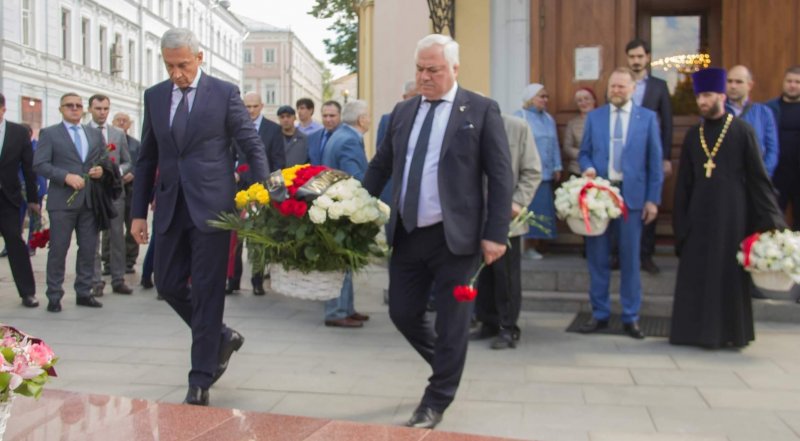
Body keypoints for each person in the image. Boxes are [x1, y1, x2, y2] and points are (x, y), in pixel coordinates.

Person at [363, 33, 513, 429]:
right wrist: (355, 205)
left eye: (433, 69)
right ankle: (449, 362)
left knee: (452, 321)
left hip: (457, 238)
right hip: (409, 233)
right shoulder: (403, 112)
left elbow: (500, 177)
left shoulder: (480, 110)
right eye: (419, 69)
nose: (424, 77)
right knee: (402, 312)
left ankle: (437, 397)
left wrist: (496, 233)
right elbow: (381, 165)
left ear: (455, 69)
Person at [130, 28, 268, 406]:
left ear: (199, 58)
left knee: (208, 292)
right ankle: (220, 337)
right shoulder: (155, 97)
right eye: (170, 66)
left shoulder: (224, 94)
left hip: (213, 208)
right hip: (171, 207)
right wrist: (137, 213)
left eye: (184, 65)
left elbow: (250, 143)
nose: (177, 73)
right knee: (167, 283)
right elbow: (147, 158)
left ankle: (200, 376)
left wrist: (262, 192)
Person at [671, 67, 787, 347]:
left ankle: (729, 334)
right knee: (697, 272)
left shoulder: (742, 130)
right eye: (699, 96)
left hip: (732, 215)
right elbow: (684, 183)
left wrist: (774, 222)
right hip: (698, 215)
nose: (702, 102)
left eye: (708, 96)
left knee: (726, 275)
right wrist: (681, 224)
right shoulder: (693, 135)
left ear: (722, 96)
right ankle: (691, 333)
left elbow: (759, 179)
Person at [577, 67, 664, 340]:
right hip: (600, 196)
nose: (616, 91)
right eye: (613, 87)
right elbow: (584, 153)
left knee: (630, 258)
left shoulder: (647, 119)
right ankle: (599, 313)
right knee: (598, 257)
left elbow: (654, 163)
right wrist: (588, 168)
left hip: (632, 197)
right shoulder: (595, 118)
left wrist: (653, 199)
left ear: (632, 89)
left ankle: (631, 316)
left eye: (621, 87)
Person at [472, 113, 542, 349]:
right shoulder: (463, 126)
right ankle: (487, 322)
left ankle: (508, 327)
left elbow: (532, 170)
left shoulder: (516, 127)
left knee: (506, 276)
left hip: (507, 218)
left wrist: (518, 203)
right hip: (473, 218)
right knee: (482, 274)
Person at [33, 92, 106, 312]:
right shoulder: (50, 134)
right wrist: (65, 176)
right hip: (62, 202)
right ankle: (54, 295)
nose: (74, 109)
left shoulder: (93, 134)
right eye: (69, 106)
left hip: (89, 201)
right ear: (61, 109)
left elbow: (104, 160)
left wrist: (101, 170)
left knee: (88, 248)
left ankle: (84, 291)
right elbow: (40, 165)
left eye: (78, 105)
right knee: (58, 249)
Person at [226, 91, 285, 296]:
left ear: (262, 106)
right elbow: (230, 156)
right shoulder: (236, 129)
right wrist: (230, 174)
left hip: (262, 192)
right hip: (239, 190)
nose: (251, 110)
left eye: (254, 106)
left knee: (258, 237)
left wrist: (275, 193)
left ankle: (257, 280)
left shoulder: (273, 130)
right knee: (236, 235)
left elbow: (278, 162)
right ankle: (232, 280)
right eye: (247, 107)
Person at [320, 99, 371, 328]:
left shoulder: (339, 135)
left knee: (344, 260)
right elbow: (355, 177)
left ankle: (346, 308)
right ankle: (337, 311)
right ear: (361, 119)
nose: (369, 119)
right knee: (341, 260)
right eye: (367, 115)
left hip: (335, 205)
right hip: (344, 208)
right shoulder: (350, 140)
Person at [88, 94, 133, 297]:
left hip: (114, 192)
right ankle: (96, 281)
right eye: (98, 109)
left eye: (105, 109)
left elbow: (127, 161)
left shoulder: (117, 134)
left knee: (117, 236)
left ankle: (118, 278)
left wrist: (117, 173)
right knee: (92, 238)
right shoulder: (83, 132)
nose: (102, 113)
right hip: (92, 192)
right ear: (90, 109)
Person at [0, 93, 40, 307]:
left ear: (3, 109)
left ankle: (27, 293)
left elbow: (28, 168)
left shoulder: (17, 133)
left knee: (15, 243)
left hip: (8, 200)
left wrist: (33, 200)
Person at [514, 84, 560, 259]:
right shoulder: (520, 116)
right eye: (541, 96)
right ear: (530, 98)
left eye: (546, 96)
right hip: (527, 173)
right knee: (529, 209)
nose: (545, 100)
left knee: (543, 209)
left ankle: (541, 243)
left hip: (546, 173)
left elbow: (554, 143)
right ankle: (527, 245)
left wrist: (557, 166)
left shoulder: (548, 119)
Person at [725, 65, 779, 177]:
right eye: (729, 81)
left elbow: (772, 149)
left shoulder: (763, 113)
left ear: (750, 85)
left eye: (739, 82)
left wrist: (763, 174)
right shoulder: (717, 112)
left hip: (755, 181)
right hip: (725, 182)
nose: (733, 86)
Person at [766, 65, 800, 231]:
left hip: (798, 173)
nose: (792, 85)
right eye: (789, 81)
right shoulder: (769, 109)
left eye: (797, 82)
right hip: (776, 173)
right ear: (783, 83)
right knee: (773, 219)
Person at [111, 112, 141, 274]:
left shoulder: (136, 144)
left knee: (132, 226)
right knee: (111, 228)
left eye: (125, 121)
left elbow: (143, 162)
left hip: (132, 190)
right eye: (119, 120)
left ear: (129, 124)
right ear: (113, 122)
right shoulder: (107, 142)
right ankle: (109, 262)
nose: (122, 123)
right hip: (113, 190)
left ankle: (129, 261)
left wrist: (134, 173)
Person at [563, 87, 598, 177]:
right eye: (579, 100)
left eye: (586, 99)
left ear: (594, 100)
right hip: (577, 169)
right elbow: (567, 147)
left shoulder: (604, 120)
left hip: (599, 169)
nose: (583, 103)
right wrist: (584, 157)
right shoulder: (572, 123)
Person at [308, 101, 342, 166]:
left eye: (332, 116)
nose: (328, 120)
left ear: (340, 116)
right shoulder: (312, 137)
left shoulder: (347, 138)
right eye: (325, 116)